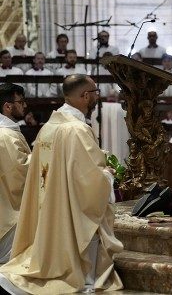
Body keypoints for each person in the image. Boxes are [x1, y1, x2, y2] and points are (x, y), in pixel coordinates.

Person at [0, 74, 123, 293]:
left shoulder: (49, 126)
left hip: (51, 202)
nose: (97, 97)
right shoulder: (77, 129)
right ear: (85, 96)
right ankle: (85, 276)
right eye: (95, 92)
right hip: (71, 206)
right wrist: (107, 174)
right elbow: (89, 180)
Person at [0, 84, 31, 264]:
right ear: (8, 106)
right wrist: (44, 155)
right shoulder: (6, 137)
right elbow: (18, 173)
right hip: (10, 218)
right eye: (21, 101)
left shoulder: (8, 133)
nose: (25, 106)